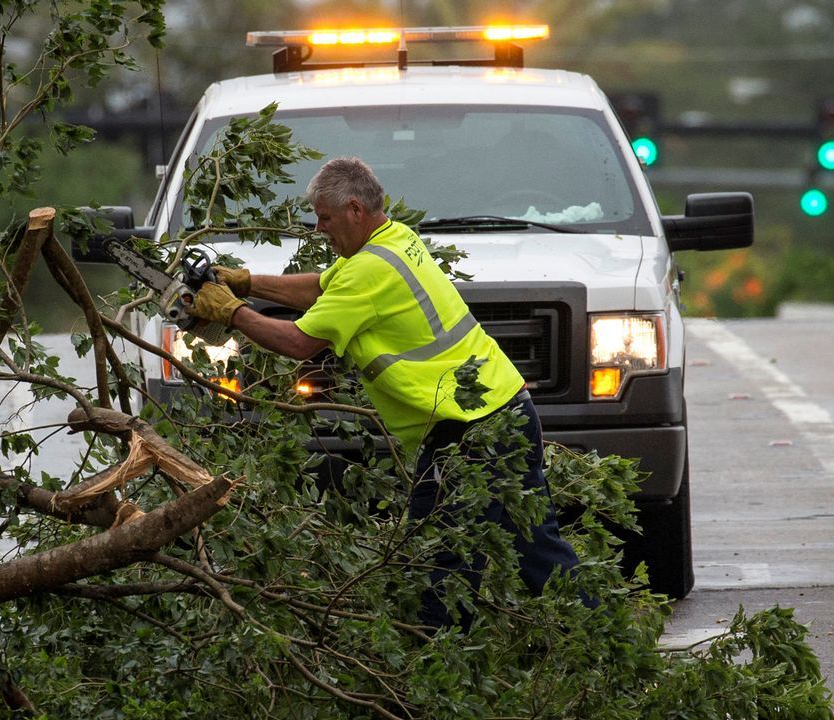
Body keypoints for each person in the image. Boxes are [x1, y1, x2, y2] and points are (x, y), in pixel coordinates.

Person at [186, 156, 585, 628]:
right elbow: (319, 290)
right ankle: (604, 645)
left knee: (435, 567)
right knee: (537, 551)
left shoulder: (368, 271)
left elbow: (298, 342)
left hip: (468, 434)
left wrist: (233, 312)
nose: (319, 228)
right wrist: (248, 282)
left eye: (325, 217)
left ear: (355, 209)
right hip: (507, 413)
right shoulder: (394, 241)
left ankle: (427, 683)